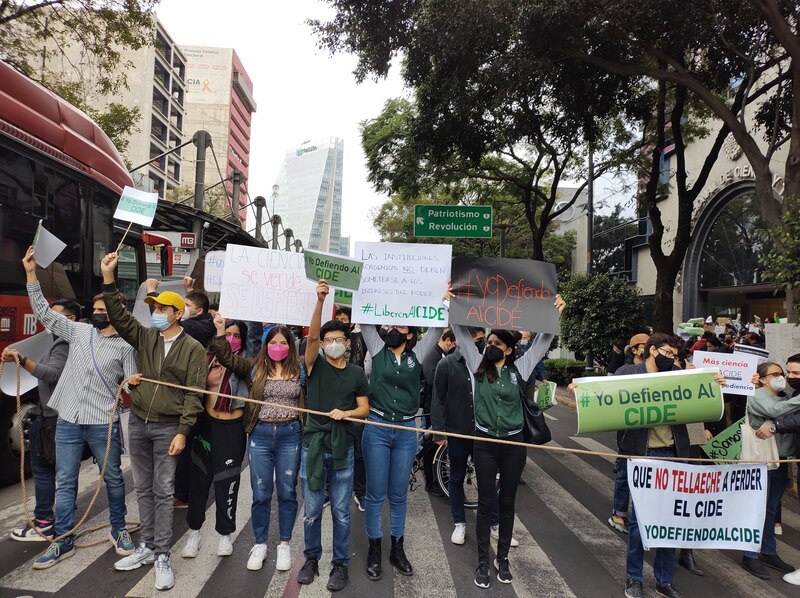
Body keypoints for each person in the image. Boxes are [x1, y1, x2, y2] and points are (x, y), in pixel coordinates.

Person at [20, 248, 137, 569]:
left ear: (115, 311)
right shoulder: (79, 330)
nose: (97, 312)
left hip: (103, 423)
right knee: (65, 480)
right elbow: (45, 313)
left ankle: (119, 529)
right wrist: (31, 274)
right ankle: (63, 541)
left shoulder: (126, 347)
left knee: (112, 478)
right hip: (68, 420)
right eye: (95, 308)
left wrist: (133, 381)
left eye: (103, 308)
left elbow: (128, 386)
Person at [100, 252, 206, 592]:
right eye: (154, 308)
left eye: (161, 309)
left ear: (177, 314)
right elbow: (117, 316)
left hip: (167, 428)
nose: (155, 313)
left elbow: (195, 392)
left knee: (163, 492)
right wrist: (108, 277)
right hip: (139, 422)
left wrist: (183, 430)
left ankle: (162, 554)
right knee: (142, 489)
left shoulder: (192, 348)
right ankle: (146, 546)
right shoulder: (146, 336)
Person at [450, 295, 564, 589]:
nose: (491, 346)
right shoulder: (476, 364)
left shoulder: (520, 368)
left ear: (510, 350)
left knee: (508, 502)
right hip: (485, 444)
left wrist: (554, 314)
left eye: (498, 344)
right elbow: (461, 335)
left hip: (514, 446)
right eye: (489, 342)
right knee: (486, 504)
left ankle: (502, 559)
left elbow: (543, 341)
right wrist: (451, 304)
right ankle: (483, 562)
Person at [605, 333, 724, 598]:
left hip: (674, 454)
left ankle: (664, 580)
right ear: (651, 351)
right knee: (639, 521)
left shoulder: (681, 377)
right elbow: (604, 399)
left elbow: (702, 409)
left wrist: (714, 386)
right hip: (642, 454)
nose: (671, 359)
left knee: (671, 521)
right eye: (667, 354)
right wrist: (581, 389)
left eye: (674, 355)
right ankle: (634, 578)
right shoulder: (628, 373)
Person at [210, 316, 305, 573]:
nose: (277, 346)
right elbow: (227, 358)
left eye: (283, 342)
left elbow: (315, 340)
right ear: (265, 344)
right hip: (260, 436)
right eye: (273, 342)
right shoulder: (255, 368)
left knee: (287, 492)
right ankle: (260, 543)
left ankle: (284, 543)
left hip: (290, 435)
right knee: (261, 493)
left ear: (291, 345)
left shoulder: (300, 369)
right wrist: (220, 330)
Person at [297, 280, 370, 592]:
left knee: (341, 512)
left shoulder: (356, 373)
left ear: (348, 342)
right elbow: (311, 335)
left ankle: (339, 564)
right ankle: (311, 558)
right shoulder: (314, 366)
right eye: (327, 340)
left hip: (343, 449)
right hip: (314, 446)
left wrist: (347, 413)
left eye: (338, 339)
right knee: (312, 512)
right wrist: (319, 300)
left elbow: (365, 409)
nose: (331, 343)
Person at [359, 318, 443, 581]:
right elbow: (364, 322)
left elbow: (437, 328)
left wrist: (443, 303)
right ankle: (374, 548)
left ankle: (397, 548)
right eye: (390, 326)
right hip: (376, 427)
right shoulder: (376, 349)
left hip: (406, 430)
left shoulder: (416, 355)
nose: (393, 330)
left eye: (401, 327)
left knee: (398, 494)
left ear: (410, 334)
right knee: (375, 494)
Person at [431, 326, 519, 549]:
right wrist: (440, 431)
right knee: (456, 477)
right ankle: (459, 522)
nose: (481, 344)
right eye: (477, 340)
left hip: (483, 433)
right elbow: (438, 398)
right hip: (458, 430)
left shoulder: (489, 365)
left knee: (488, 482)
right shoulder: (447, 364)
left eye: (482, 340)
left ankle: (496, 523)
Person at [179, 319, 250, 563]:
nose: (231, 338)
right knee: (198, 479)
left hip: (232, 428)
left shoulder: (247, 363)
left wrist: (220, 333)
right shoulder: (206, 359)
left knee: (227, 481)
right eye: (227, 333)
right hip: (205, 426)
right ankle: (194, 532)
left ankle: (225, 534)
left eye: (236, 335)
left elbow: (230, 359)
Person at [3, 299, 73, 542]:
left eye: (53, 316)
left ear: (70, 320)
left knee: (47, 471)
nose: (47, 321)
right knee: (51, 470)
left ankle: (45, 522)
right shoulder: (55, 342)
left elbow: (53, 373)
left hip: (53, 418)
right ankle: (55, 517)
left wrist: (23, 360)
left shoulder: (63, 344)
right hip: (49, 416)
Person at [739, 361, 799, 580]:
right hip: (762, 461)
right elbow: (776, 411)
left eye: (782, 373)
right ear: (762, 379)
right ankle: (749, 555)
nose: (781, 377)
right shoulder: (757, 396)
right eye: (775, 374)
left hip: (781, 462)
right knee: (757, 508)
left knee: (771, 509)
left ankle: (768, 551)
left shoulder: (787, 396)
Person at [608, 332, 650, 535]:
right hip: (630, 435)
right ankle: (619, 513)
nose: (649, 349)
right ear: (634, 350)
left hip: (653, 437)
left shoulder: (662, 372)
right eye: (645, 345)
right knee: (625, 475)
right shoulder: (624, 371)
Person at [420, 328, 456, 497]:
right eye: (453, 343)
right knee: (431, 446)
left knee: (438, 446)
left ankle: (437, 478)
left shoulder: (440, 354)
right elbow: (430, 377)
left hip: (439, 405)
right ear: (447, 340)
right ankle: (430, 481)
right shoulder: (433, 354)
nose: (454, 347)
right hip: (431, 406)